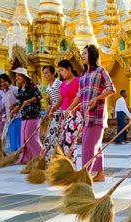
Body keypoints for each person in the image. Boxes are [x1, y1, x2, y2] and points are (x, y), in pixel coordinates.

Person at [68, 45, 115, 182]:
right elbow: (79, 95)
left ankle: (84, 177)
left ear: (93, 55)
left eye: (85, 53)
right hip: (86, 116)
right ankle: (100, 174)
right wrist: (70, 109)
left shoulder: (101, 71)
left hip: (97, 116)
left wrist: (97, 98)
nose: (82, 56)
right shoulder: (83, 75)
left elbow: (111, 89)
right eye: (82, 53)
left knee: (88, 146)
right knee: (96, 146)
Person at [49, 60, 82, 163]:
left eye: (62, 70)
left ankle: (71, 165)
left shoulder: (78, 81)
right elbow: (60, 100)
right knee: (62, 140)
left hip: (75, 114)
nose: (61, 73)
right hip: (64, 114)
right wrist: (53, 111)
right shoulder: (62, 84)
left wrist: (70, 109)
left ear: (69, 69)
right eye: (59, 71)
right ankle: (66, 166)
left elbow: (80, 97)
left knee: (70, 140)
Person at [10, 67, 42, 164]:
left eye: (19, 75)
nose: (17, 78)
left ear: (24, 76)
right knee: (24, 137)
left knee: (31, 136)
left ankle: (40, 157)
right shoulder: (20, 89)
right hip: (24, 115)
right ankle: (28, 158)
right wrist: (14, 109)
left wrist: (29, 101)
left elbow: (39, 96)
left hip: (33, 115)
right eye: (16, 76)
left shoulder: (32, 86)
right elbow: (20, 102)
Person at [41, 65, 62, 163]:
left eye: (47, 73)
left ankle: (53, 159)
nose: (45, 75)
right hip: (54, 115)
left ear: (53, 74)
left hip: (61, 115)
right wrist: (47, 113)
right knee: (50, 137)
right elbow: (51, 102)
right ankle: (47, 159)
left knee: (55, 137)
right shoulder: (48, 87)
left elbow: (61, 100)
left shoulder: (59, 84)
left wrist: (53, 111)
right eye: (44, 73)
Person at [0, 73, 20, 153]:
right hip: (8, 118)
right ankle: (13, 154)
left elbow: (21, 100)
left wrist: (14, 108)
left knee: (16, 136)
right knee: (8, 136)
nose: (3, 83)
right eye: (1, 82)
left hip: (17, 117)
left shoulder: (14, 89)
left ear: (8, 81)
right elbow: (2, 106)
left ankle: (18, 154)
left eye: (5, 81)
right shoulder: (4, 93)